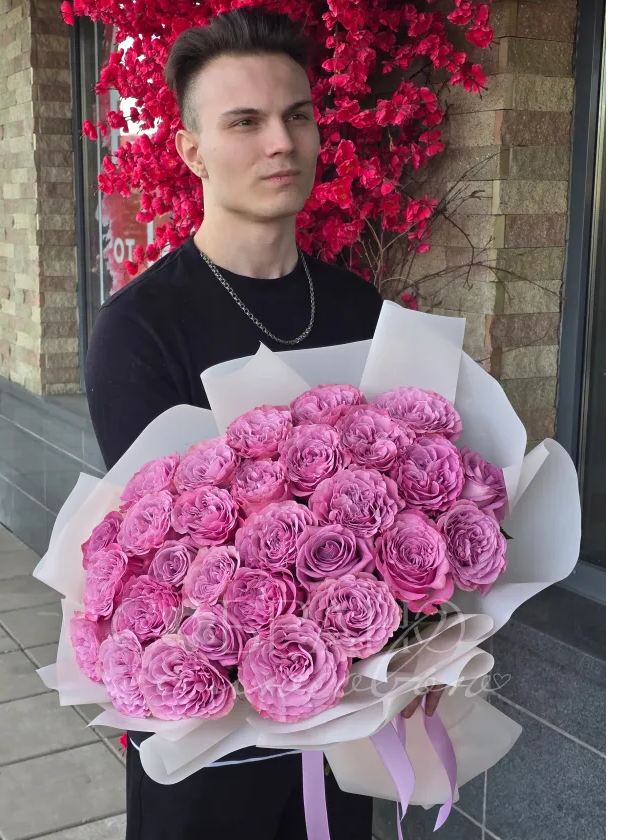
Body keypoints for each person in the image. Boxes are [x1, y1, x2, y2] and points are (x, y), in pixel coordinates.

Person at [85, 8, 443, 839]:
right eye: (244, 122)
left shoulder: (359, 308)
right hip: (212, 734)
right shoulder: (142, 328)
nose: (281, 143)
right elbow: (167, 560)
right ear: (191, 151)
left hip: (349, 721)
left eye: (298, 115)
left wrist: (426, 626)